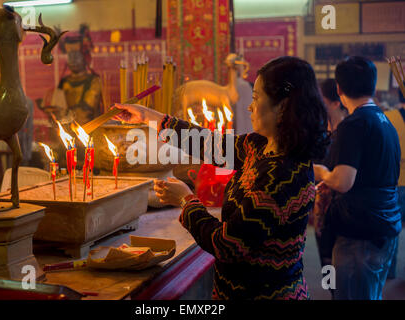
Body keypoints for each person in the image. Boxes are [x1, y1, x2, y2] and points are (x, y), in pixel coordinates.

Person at [114, 56, 330, 300]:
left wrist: (186, 201)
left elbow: (227, 245)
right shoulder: (259, 146)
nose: (250, 106)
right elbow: (210, 144)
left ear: (282, 107)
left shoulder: (283, 176)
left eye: (257, 98)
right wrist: (147, 117)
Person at [314, 56, 402, 300]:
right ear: (373, 86)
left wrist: (321, 172)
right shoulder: (385, 121)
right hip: (384, 226)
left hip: (359, 232)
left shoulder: (354, 124)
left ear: (339, 89)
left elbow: (343, 181)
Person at [313, 79, 348, 268]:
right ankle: (331, 292)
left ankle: (336, 293)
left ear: (336, 103)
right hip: (321, 211)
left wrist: (323, 173)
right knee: (325, 261)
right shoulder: (319, 130)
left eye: (322, 99)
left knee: (337, 262)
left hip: (341, 211)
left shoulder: (346, 134)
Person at [384, 83, 405, 279]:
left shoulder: (388, 118)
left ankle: (390, 270)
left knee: (393, 229)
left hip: (396, 182)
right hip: (396, 181)